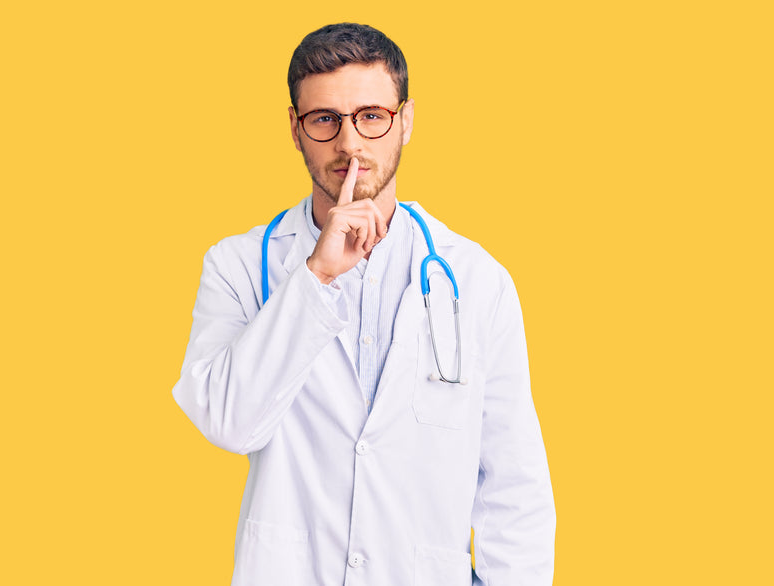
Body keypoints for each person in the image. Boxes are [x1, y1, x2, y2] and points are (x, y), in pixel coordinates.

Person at [172, 23, 555, 586]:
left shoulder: (476, 280)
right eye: (324, 119)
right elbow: (230, 423)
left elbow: (513, 483)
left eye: (371, 116)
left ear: (405, 121)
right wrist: (316, 276)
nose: (350, 144)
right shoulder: (238, 266)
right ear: (295, 129)